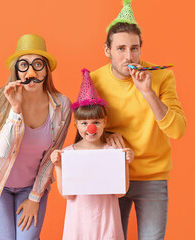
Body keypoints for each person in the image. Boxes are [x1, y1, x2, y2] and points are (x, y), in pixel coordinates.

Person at [90, 1, 187, 239]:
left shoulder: (161, 77)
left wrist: (148, 92)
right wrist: (105, 135)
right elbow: (83, 128)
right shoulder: (94, 79)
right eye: (120, 48)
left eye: (134, 48)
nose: (128, 56)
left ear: (141, 49)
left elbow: (177, 130)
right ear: (107, 50)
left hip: (153, 176)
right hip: (112, 173)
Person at [0, 34, 72, 240]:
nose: (31, 72)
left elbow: (51, 156)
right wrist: (15, 110)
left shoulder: (61, 105)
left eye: (38, 64)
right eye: (24, 65)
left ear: (47, 70)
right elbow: (1, 151)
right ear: (16, 70)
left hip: (31, 186)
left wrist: (34, 198)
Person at [51, 69, 134, 240]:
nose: (91, 128)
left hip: (107, 224)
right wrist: (58, 166)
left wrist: (124, 162)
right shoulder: (68, 153)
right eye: (85, 123)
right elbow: (67, 194)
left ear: (105, 123)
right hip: (78, 225)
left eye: (96, 122)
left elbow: (120, 192)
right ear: (76, 124)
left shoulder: (112, 152)